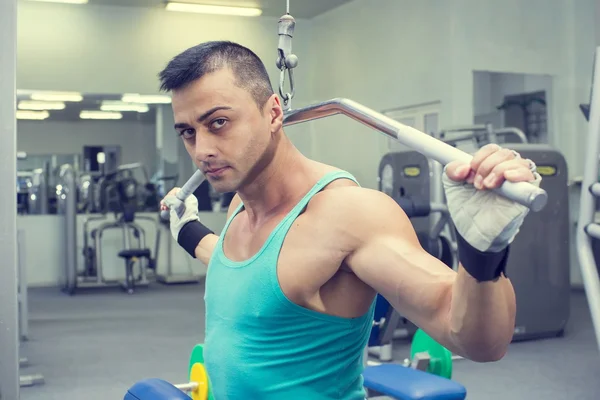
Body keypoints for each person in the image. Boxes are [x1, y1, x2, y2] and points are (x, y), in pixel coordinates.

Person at [159, 41, 541, 400]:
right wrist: (188, 231)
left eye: (219, 123)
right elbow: (247, 275)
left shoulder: (347, 214)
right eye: (188, 133)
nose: (202, 150)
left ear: (273, 112)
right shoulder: (241, 209)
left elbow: (480, 342)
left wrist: (481, 255)